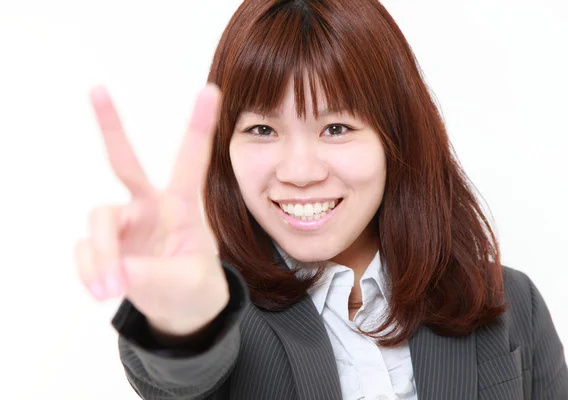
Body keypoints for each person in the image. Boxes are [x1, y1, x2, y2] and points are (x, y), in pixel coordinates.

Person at [75, 0, 568, 399]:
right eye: (262, 129)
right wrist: (181, 323)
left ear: (396, 139)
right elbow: (177, 379)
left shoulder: (509, 301)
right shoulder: (222, 312)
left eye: (336, 128)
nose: (300, 173)